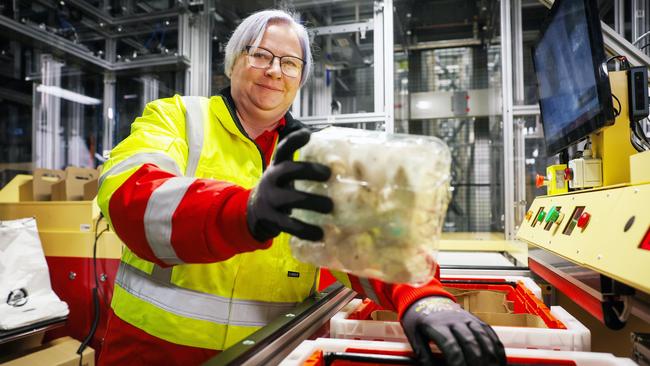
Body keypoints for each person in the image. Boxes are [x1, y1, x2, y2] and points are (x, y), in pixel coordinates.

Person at [96, 9, 506, 366]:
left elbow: (369, 243)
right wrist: (246, 213)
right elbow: (129, 198)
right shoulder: (177, 118)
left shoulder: (320, 154)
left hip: (277, 353)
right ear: (232, 63)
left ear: (300, 79)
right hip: (153, 353)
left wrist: (423, 296)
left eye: (290, 63)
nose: (275, 70)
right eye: (260, 55)